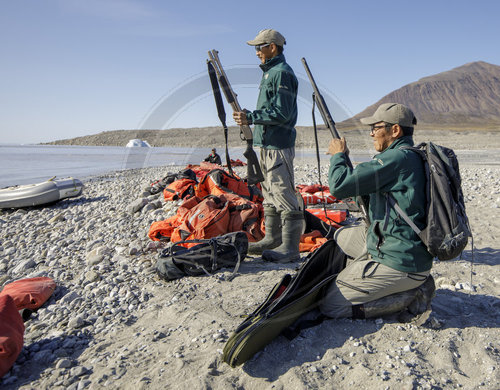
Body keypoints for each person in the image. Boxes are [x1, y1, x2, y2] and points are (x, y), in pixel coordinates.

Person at [320, 103, 435, 319]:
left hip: (399, 258)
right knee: (339, 236)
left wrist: (337, 156)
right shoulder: (410, 156)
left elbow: (339, 186)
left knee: (331, 305)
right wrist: (345, 161)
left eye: (376, 127)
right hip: (399, 244)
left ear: (395, 130)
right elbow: (358, 193)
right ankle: (376, 277)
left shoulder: (396, 159)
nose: (372, 133)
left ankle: (413, 295)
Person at [233, 29, 303, 263]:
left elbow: (282, 112)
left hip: (277, 144)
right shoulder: (271, 73)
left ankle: (290, 249)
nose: (256, 53)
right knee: (269, 192)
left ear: (272, 47)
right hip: (265, 143)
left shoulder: (281, 73)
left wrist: (251, 117)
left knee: (283, 192)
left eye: (259, 47)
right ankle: (272, 239)